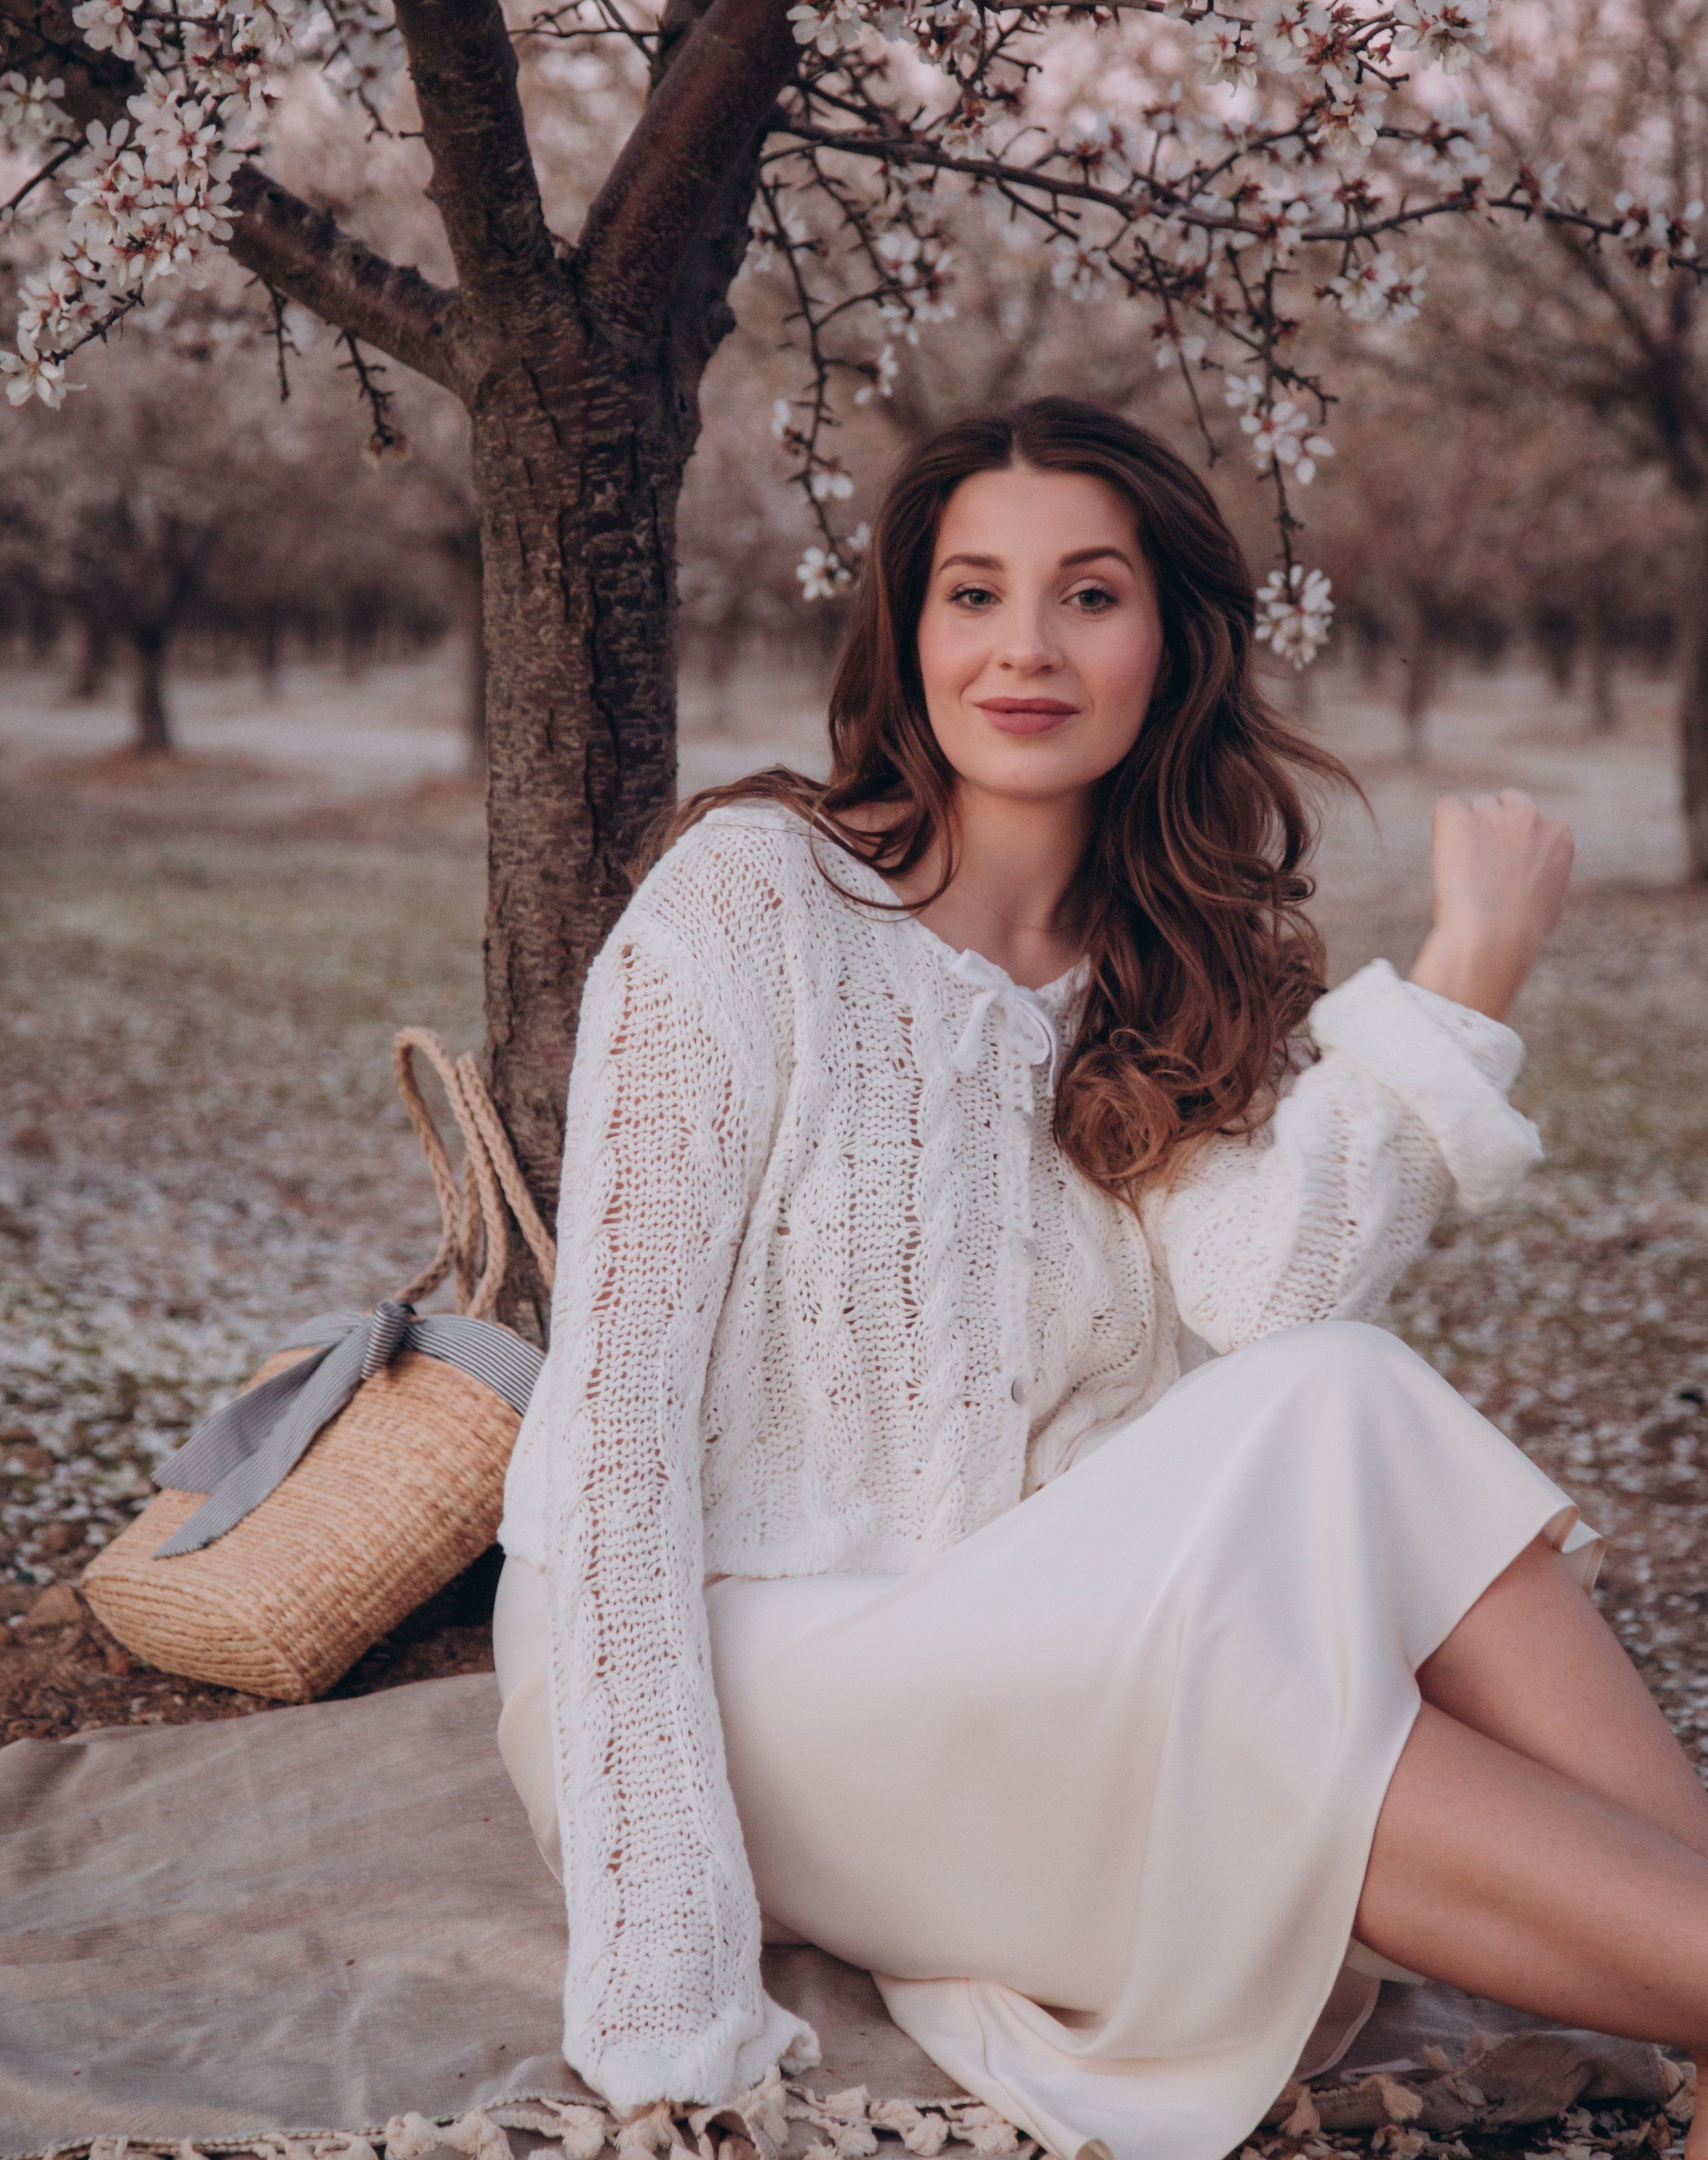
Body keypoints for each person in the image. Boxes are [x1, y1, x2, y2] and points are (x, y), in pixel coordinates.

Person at [494, 398, 1708, 2160]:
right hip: (761, 1661)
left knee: (1345, 1402)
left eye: (1088, 594)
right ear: (906, 637)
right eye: (973, 594)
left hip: (1039, 1639)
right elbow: (609, 1442)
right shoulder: (750, 906)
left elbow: (1287, 1306)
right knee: (1255, 1693)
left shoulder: (1161, 976)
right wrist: (663, 1958)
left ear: (1172, 641)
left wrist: (1466, 978)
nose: (1027, 648)